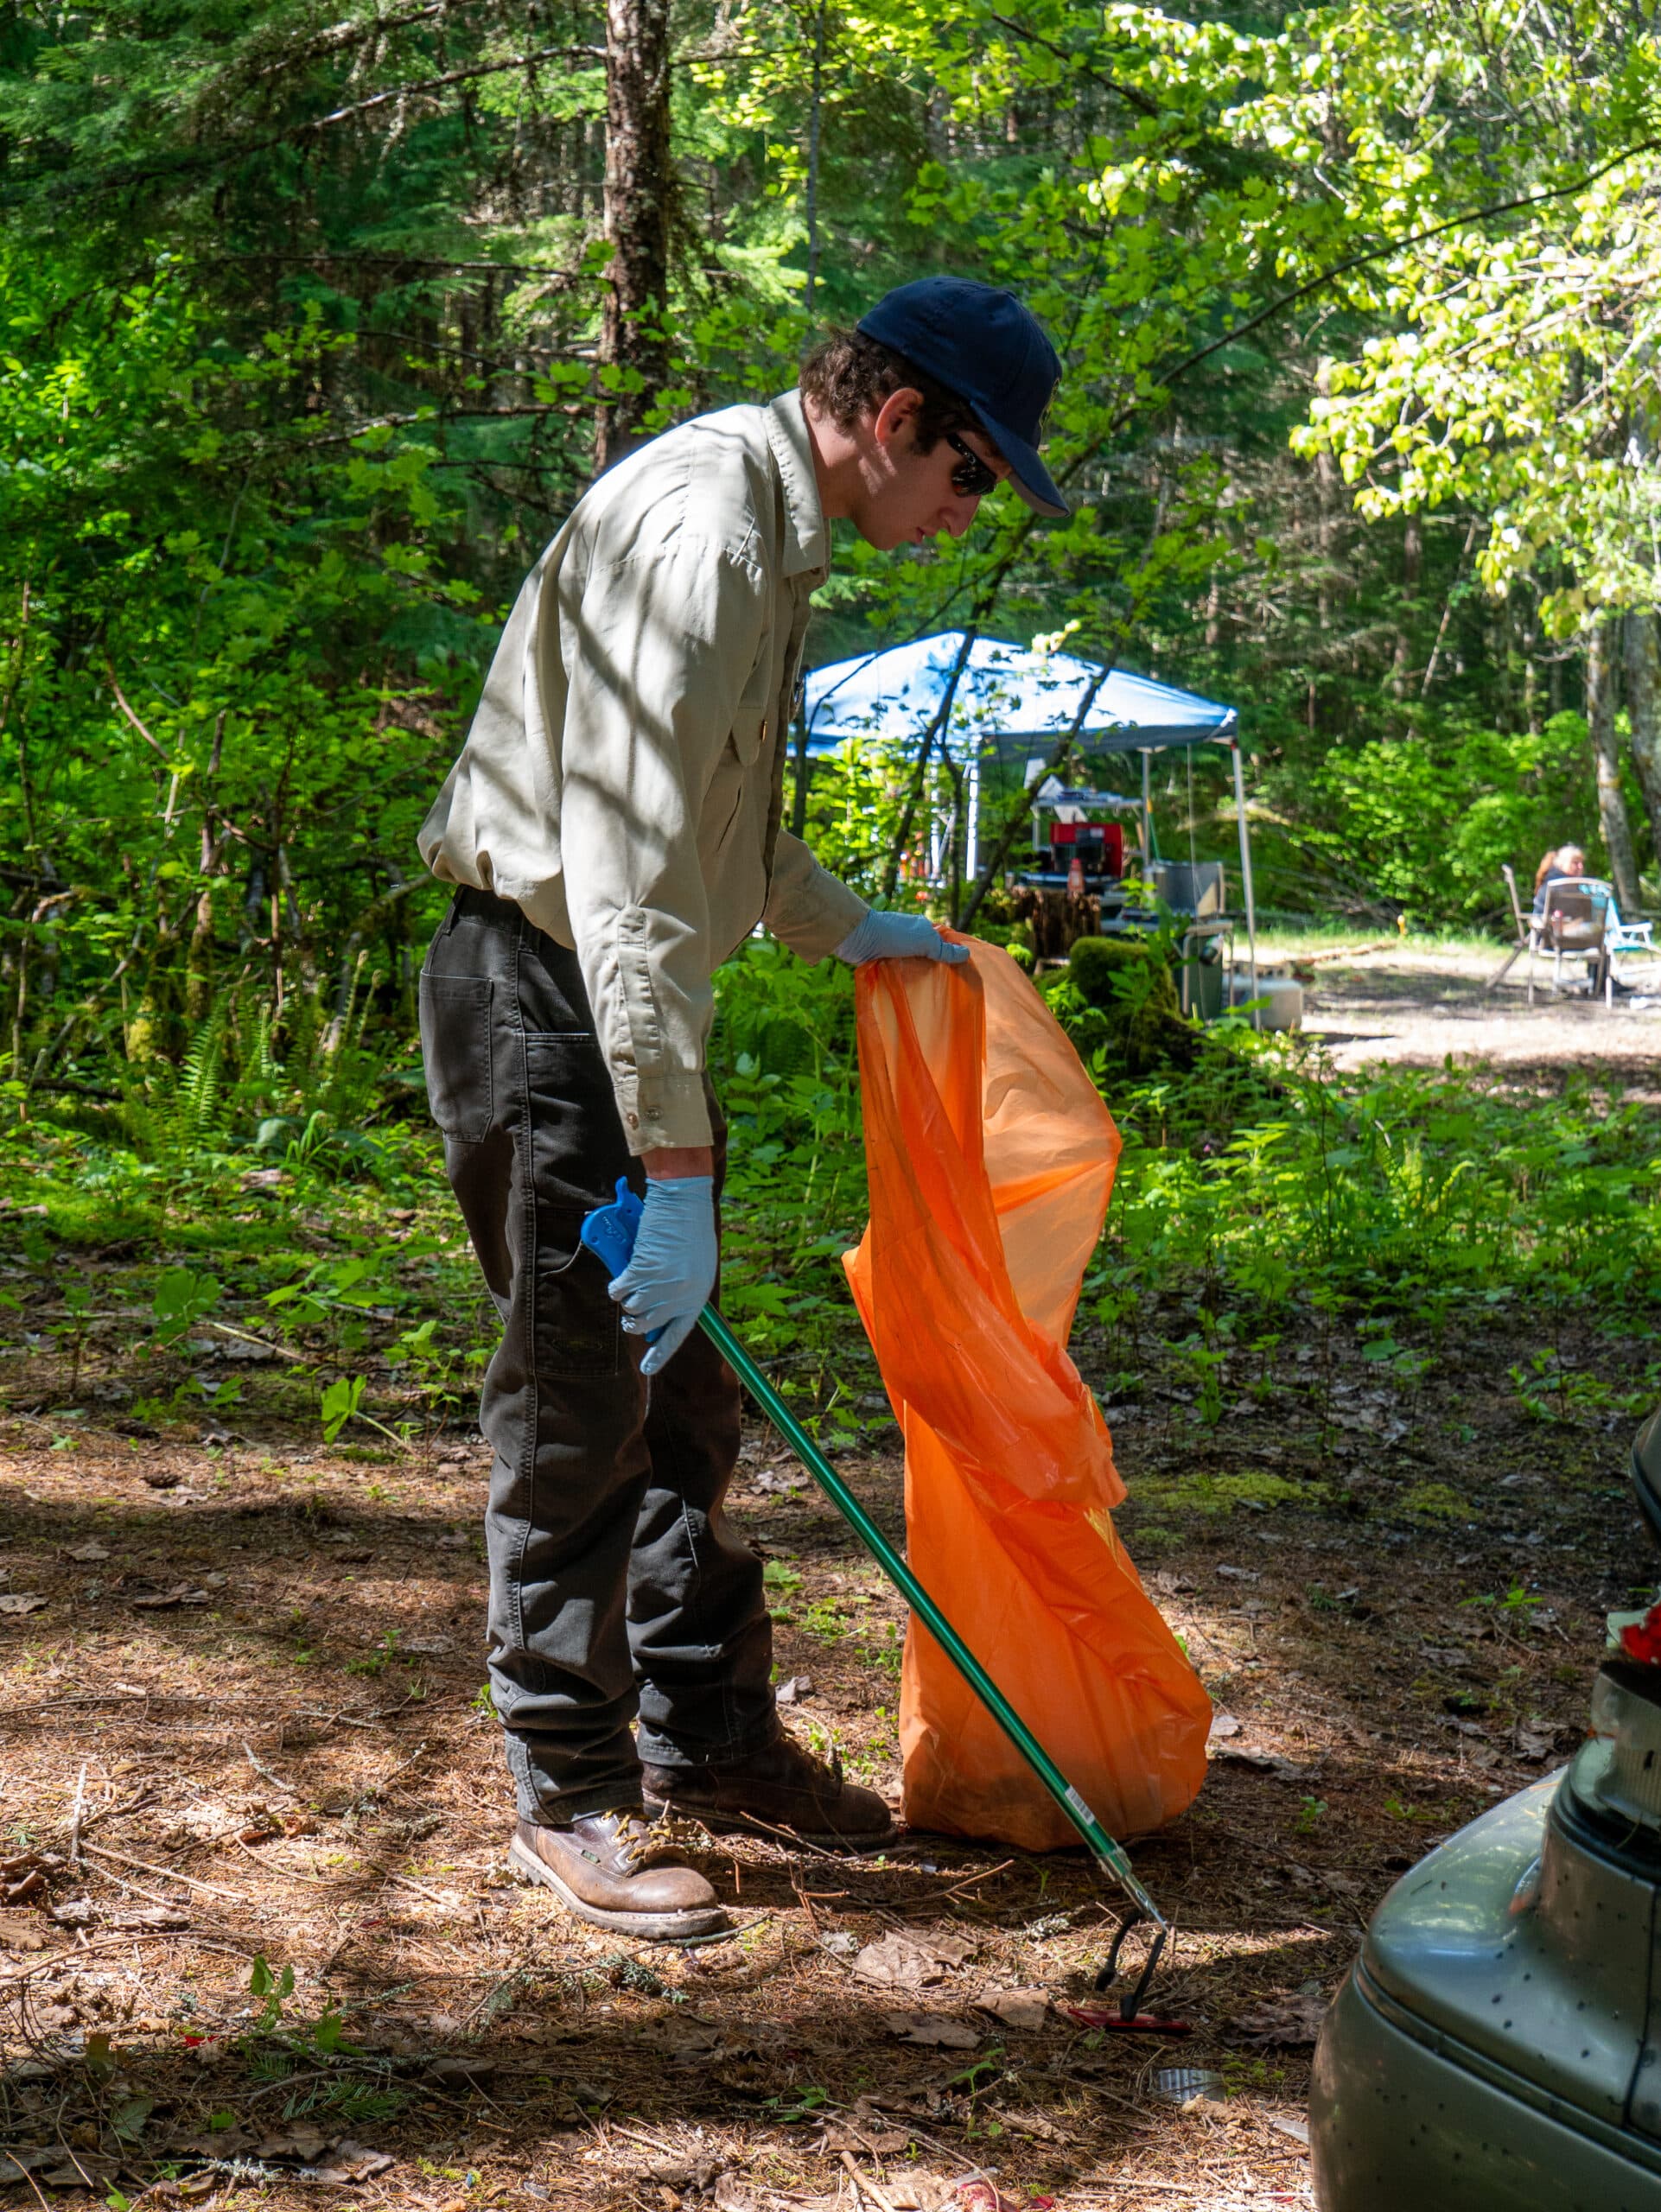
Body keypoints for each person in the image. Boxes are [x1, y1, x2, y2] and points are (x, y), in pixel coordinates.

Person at [415, 277, 1069, 1941]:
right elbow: (629, 880)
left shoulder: (776, 537)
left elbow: (726, 830)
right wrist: (676, 1165)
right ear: (900, 416)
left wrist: (858, 928)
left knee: (682, 1402)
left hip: (614, 1007)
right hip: (549, 992)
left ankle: (705, 1736)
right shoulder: (705, 532)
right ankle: (566, 1794)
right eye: (972, 473)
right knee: (578, 1402)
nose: (959, 514)